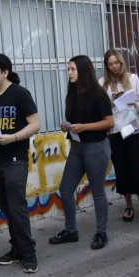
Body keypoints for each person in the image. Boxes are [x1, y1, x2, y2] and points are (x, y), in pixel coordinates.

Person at [0, 53, 42, 271]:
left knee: (17, 207)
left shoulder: (19, 94)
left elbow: (35, 124)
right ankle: (17, 249)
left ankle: (29, 253)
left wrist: (13, 137)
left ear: (5, 72)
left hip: (15, 159)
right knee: (6, 207)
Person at [49, 55, 115, 250]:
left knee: (98, 191)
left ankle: (101, 233)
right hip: (77, 148)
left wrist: (84, 127)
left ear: (83, 70)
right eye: (68, 69)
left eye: (73, 69)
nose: (69, 73)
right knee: (66, 189)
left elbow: (109, 122)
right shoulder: (72, 92)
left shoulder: (98, 93)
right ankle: (71, 231)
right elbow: (75, 119)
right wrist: (66, 127)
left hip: (96, 147)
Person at [100, 49, 139, 227]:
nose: (114, 67)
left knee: (137, 167)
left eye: (117, 63)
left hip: (132, 127)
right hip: (114, 130)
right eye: (110, 64)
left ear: (122, 63)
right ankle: (129, 205)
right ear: (107, 66)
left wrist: (134, 104)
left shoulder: (133, 79)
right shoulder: (103, 83)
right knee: (121, 169)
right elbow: (101, 108)